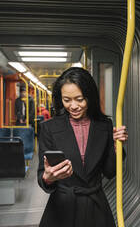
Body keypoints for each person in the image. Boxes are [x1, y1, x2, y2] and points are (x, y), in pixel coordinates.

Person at [37, 67, 128, 227]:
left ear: (90, 97)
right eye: (67, 100)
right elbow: (42, 175)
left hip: (95, 206)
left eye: (79, 99)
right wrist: (48, 178)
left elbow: (110, 172)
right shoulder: (48, 128)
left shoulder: (104, 125)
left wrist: (116, 147)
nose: (73, 106)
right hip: (62, 206)